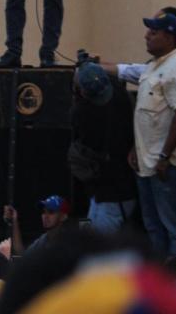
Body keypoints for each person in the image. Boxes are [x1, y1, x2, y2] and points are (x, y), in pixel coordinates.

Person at [130, 11, 176, 259]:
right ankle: (159, 283)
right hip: (147, 164)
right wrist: (135, 147)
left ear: (170, 37)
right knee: (153, 228)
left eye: (154, 32)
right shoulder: (153, 67)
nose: (147, 36)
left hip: (166, 165)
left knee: (174, 229)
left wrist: (165, 155)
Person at [70, 62, 136, 233]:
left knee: (102, 242)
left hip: (110, 192)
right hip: (119, 189)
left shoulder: (83, 113)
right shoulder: (120, 93)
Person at [4, 195, 72, 255]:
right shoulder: (44, 239)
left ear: (63, 216)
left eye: (51, 212)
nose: (45, 216)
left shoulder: (69, 241)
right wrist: (14, 220)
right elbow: (22, 254)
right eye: (44, 212)